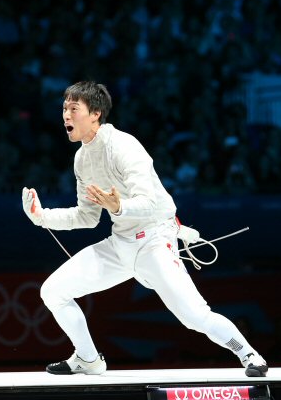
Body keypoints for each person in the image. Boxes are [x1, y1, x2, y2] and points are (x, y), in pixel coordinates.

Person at [22, 81, 268, 377]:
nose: (66, 115)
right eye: (64, 108)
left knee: (193, 316)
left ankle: (248, 354)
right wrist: (41, 217)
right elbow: (87, 217)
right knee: (54, 291)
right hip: (120, 244)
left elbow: (148, 202)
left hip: (153, 240)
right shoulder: (82, 159)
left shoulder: (124, 146)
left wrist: (118, 207)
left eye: (74, 109)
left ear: (96, 113)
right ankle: (88, 359)